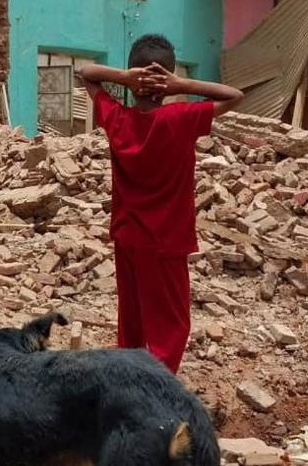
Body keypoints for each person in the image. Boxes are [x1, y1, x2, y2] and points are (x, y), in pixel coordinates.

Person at [76, 34, 244, 373]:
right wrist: (181, 83)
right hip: (166, 242)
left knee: (132, 320)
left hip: (127, 238)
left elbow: (85, 73)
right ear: (167, 79)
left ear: (134, 80)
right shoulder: (181, 118)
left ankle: (129, 381)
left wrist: (123, 77)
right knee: (170, 327)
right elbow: (235, 96)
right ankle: (157, 390)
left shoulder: (118, 119)